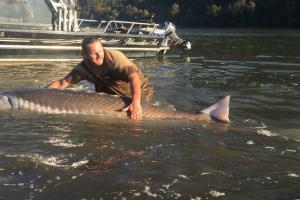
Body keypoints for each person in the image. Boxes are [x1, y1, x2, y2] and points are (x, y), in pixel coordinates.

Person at [47, 36, 153, 120]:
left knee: (136, 119)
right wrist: (42, 92)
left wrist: (136, 102)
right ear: (84, 55)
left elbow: (134, 78)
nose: (100, 55)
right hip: (112, 91)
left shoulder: (115, 58)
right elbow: (62, 83)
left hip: (138, 90)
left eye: (101, 51)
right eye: (94, 54)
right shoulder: (83, 68)